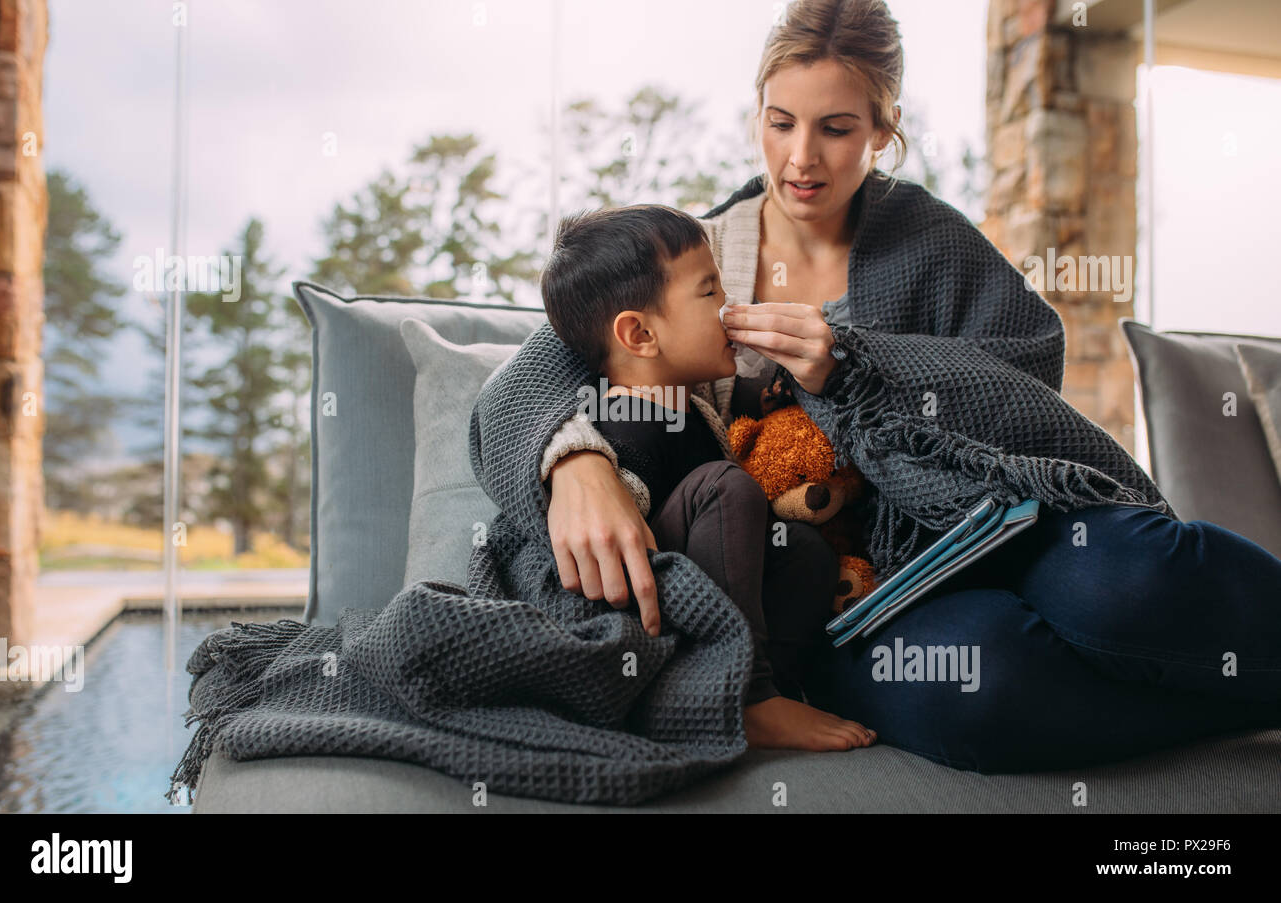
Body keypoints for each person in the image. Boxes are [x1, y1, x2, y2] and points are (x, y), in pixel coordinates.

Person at [472, 0, 1281, 772]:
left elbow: (1026, 377)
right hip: (848, 599)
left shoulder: (932, 242)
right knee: (982, 679)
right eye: (780, 122)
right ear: (756, 111)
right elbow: (529, 379)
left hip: (996, 523)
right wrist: (571, 462)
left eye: (836, 129)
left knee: (1130, 582)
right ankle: (1237, 714)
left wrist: (854, 364)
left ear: (884, 132)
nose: (800, 159)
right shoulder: (696, 254)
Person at [540, 203, 877, 750]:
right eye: (710, 292)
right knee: (726, 484)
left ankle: (782, 684)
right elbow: (615, 539)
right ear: (640, 335)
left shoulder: (692, 406)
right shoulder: (620, 422)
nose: (730, 307)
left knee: (804, 548)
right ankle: (747, 695)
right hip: (648, 609)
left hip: (716, 595)